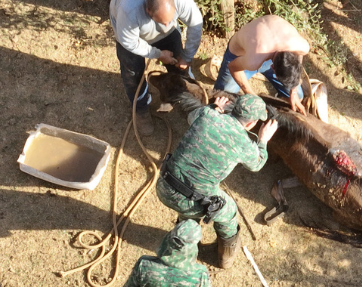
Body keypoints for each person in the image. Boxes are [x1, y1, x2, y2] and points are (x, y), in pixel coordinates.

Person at [156, 94, 277, 269]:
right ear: (251, 124)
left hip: (164, 186)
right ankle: (224, 258)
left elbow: (192, 117)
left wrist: (214, 107)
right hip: (190, 202)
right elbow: (257, 164)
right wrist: (263, 140)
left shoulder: (207, 115)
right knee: (229, 212)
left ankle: (185, 228)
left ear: (233, 108)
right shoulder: (244, 143)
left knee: (192, 196)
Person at [110, 0, 203, 135]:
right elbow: (129, 42)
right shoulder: (128, 10)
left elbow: (195, 23)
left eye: (169, 20)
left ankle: (180, 98)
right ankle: (141, 109)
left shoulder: (182, 2)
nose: (166, 24)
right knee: (133, 76)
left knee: (180, 70)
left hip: (168, 34)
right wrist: (158, 54)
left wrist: (187, 57)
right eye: (162, 21)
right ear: (148, 11)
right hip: (130, 36)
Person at [213, 15, 309, 115]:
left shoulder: (301, 47)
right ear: (273, 68)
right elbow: (233, 67)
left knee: (298, 94)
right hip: (240, 57)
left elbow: (299, 55)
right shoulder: (253, 60)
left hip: (267, 54)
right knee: (223, 97)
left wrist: (293, 91)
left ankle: (278, 100)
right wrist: (251, 94)